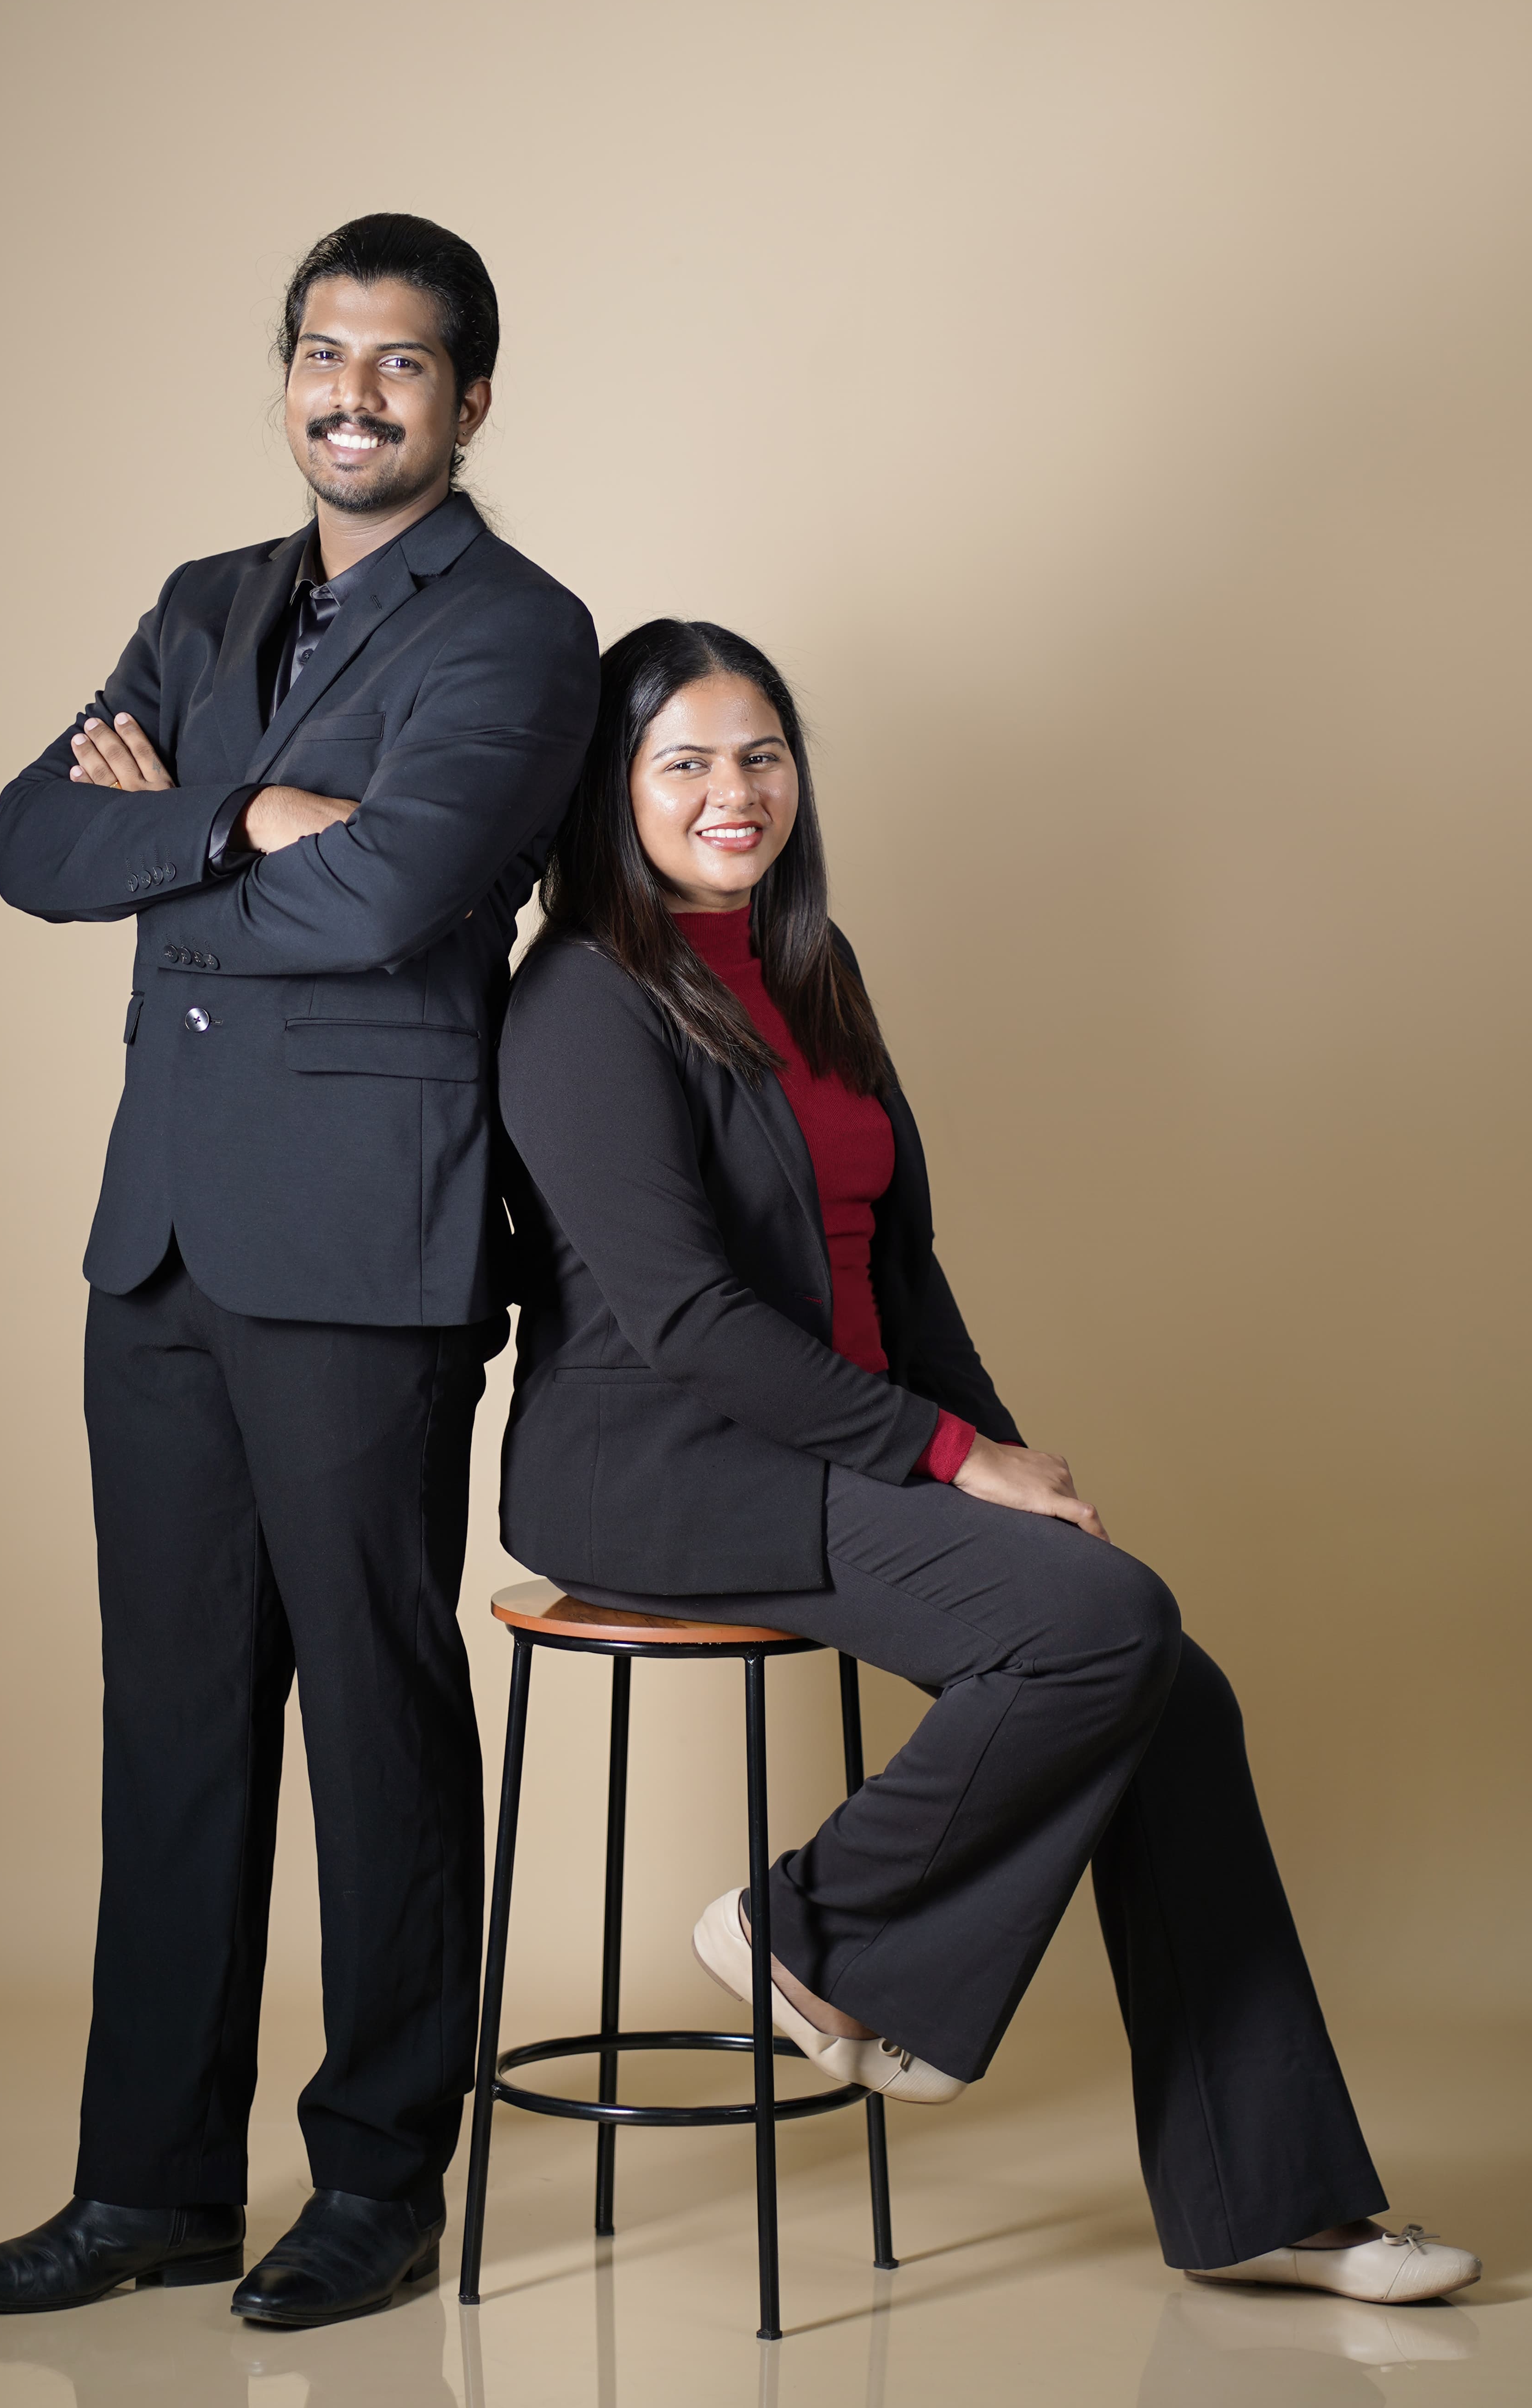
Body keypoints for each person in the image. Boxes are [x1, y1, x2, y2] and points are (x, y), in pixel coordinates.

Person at [496, 618, 1478, 2307]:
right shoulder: (580, 999)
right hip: (660, 1467)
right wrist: (945, 1457)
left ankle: (1273, 2201)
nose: (735, 794)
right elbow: (691, 1323)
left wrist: (1005, 1460)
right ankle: (812, 1935)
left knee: (1168, 1681)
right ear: (614, 790)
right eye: (686, 763)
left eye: (763, 756)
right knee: (1112, 1625)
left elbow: (904, 1267)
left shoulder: (813, 968)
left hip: (831, 1442)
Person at [0, 215, 599, 2329]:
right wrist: (246, 816)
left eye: (400, 363)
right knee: (174, 1724)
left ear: (469, 398)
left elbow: (397, 896)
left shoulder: (521, 634)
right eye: (324, 352)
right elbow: (31, 840)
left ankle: (380, 2182)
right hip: (161, 1241)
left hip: (365, 1245)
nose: (353, 394)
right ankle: (150, 2188)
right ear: (288, 374)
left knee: (378, 1723)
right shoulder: (203, 601)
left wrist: (178, 834)